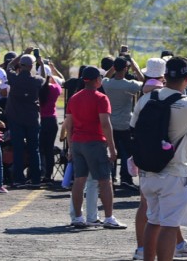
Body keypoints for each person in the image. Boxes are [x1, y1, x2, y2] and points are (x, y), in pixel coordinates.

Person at [130, 56, 187, 261]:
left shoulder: (146, 99)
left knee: (154, 221)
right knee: (169, 226)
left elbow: (133, 128)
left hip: (148, 171)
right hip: (174, 173)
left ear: (165, 77)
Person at [61, 65, 124, 229]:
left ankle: (78, 218)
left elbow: (69, 124)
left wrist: (70, 146)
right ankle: (109, 218)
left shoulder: (74, 98)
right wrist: (112, 147)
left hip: (78, 143)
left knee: (79, 180)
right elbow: (105, 123)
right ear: (97, 80)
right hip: (95, 142)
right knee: (105, 181)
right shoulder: (101, 98)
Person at [102, 56, 142, 190]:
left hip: (111, 123)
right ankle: (126, 178)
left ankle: (110, 177)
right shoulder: (130, 85)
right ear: (126, 68)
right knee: (126, 152)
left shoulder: (108, 84)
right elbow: (144, 81)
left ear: (114, 68)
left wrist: (113, 67)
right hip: (125, 123)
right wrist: (134, 65)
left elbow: (104, 78)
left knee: (111, 150)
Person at [4, 55, 44, 188]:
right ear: (31, 67)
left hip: (15, 118)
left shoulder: (14, 79)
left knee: (18, 149)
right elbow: (44, 78)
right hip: (32, 118)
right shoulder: (36, 80)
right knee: (34, 149)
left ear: (20, 66)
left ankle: (18, 179)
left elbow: (9, 66)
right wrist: (41, 64)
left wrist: (21, 54)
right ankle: (36, 179)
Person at [37, 61, 62, 188]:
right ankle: (48, 175)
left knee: (40, 148)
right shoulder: (54, 89)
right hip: (52, 120)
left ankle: (39, 172)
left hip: (42, 120)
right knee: (49, 149)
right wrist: (51, 73)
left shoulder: (39, 90)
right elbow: (60, 83)